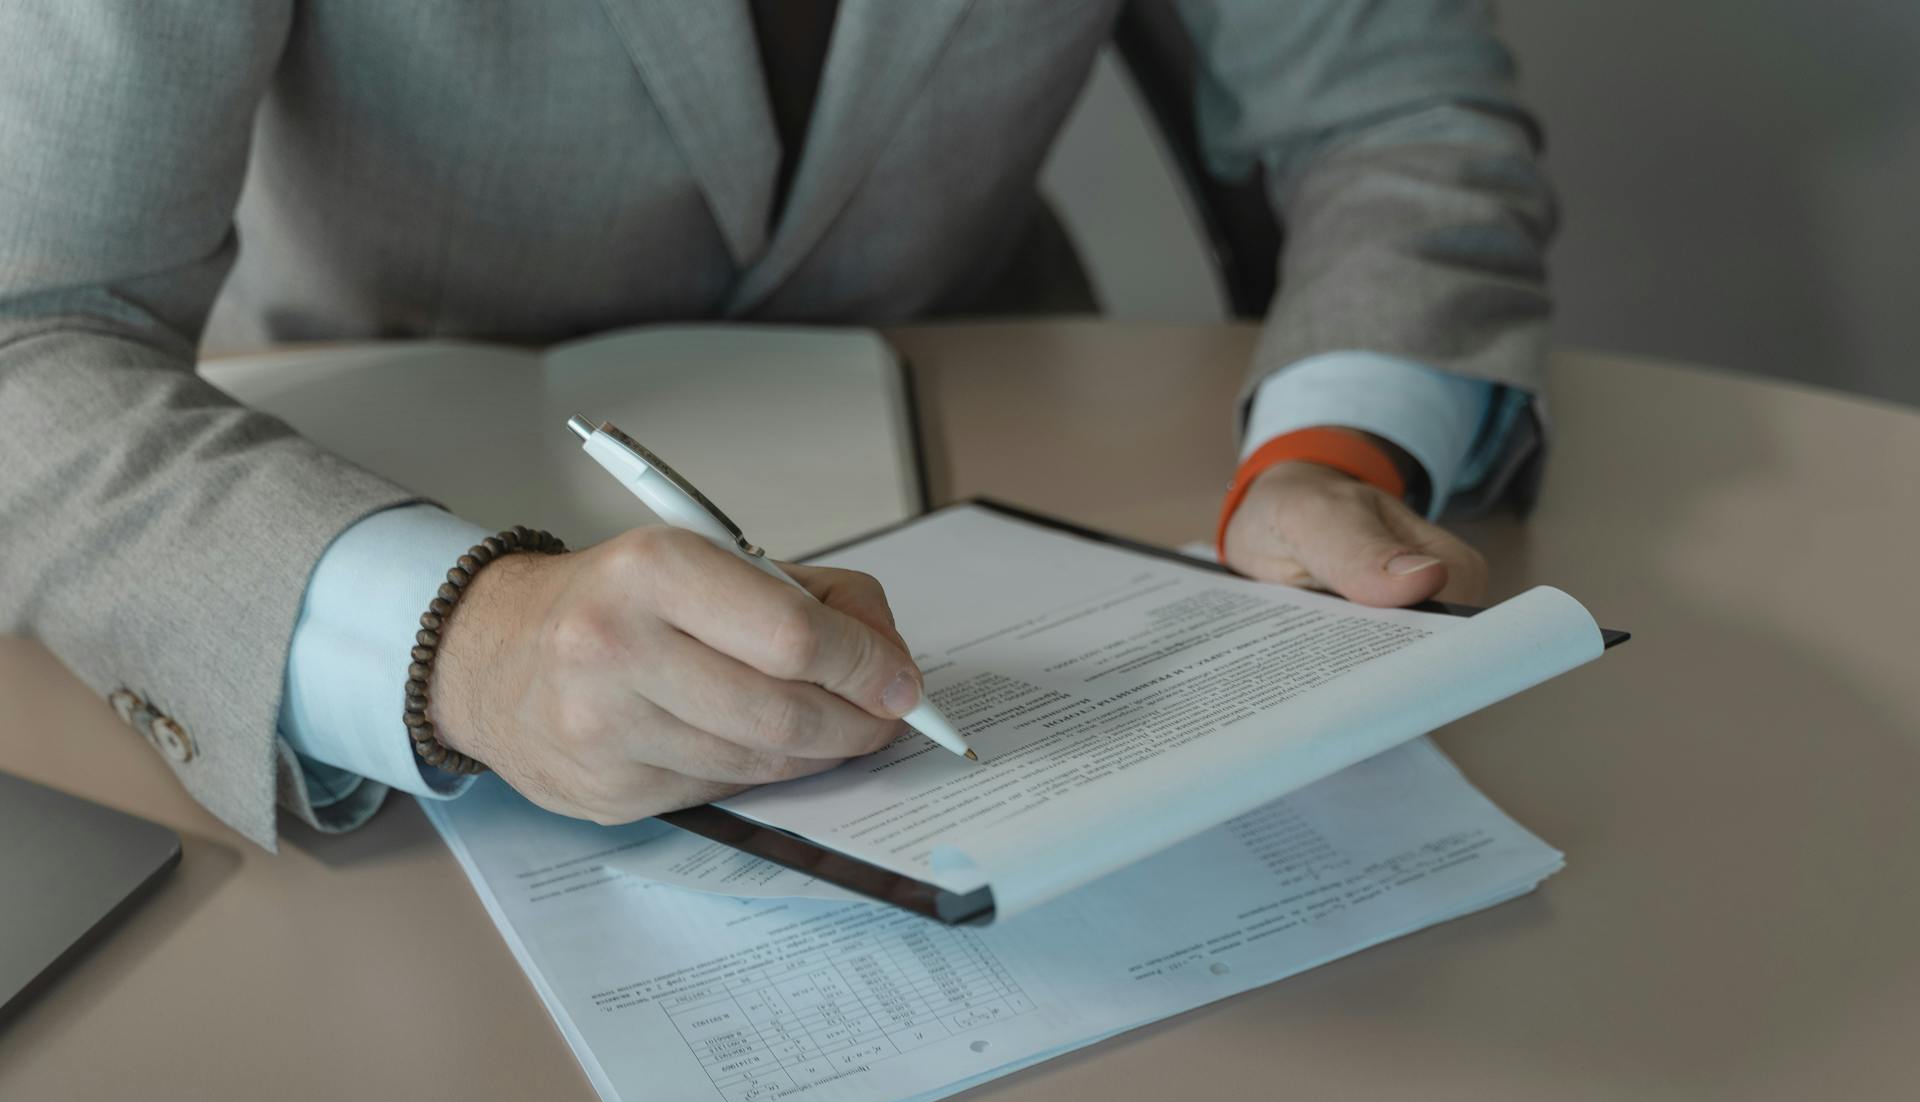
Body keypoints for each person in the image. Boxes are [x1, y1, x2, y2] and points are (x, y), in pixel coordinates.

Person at [0, 1, 1553, 850]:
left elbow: (1391, 109)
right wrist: (456, 648)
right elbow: (26, 326)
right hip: (371, 490)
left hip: (999, 446)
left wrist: (1335, 451)